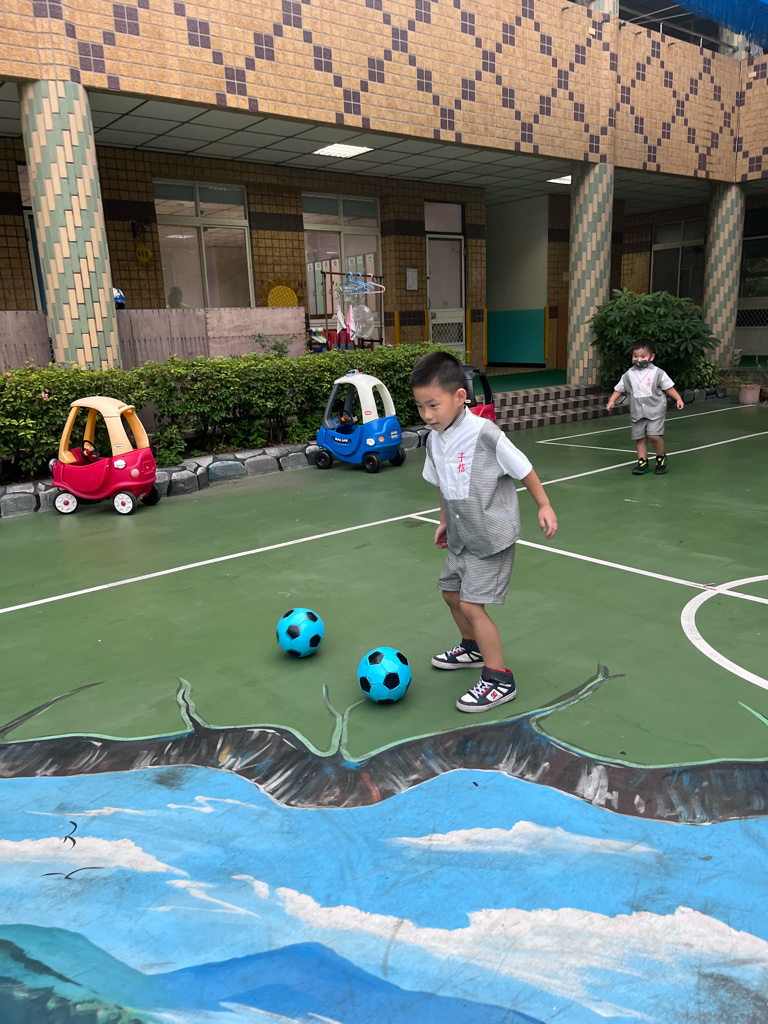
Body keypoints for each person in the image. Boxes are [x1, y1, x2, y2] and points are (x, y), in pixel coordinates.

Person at [411, 351, 558, 714]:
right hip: (462, 534)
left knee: (471, 604)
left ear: (460, 397)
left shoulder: (484, 433)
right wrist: (444, 521)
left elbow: (523, 468)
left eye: (433, 405)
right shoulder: (434, 439)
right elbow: (443, 484)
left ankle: (499, 680)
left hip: (491, 534)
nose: (427, 415)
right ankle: (472, 648)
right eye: (420, 406)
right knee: (451, 594)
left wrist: (544, 505)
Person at [606, 339, 684, 475]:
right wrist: (612, 400)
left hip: (655, 410)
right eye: (635, 356)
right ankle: (642, 462)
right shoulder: (628, 374)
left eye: (643, 356)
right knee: (640, 438)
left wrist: (678, 398)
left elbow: (668, 387)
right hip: (637, 412)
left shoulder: (658, 373)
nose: (639, 360)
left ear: (651, 357)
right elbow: (619, 388)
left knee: (653, 435)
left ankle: (661, 457)